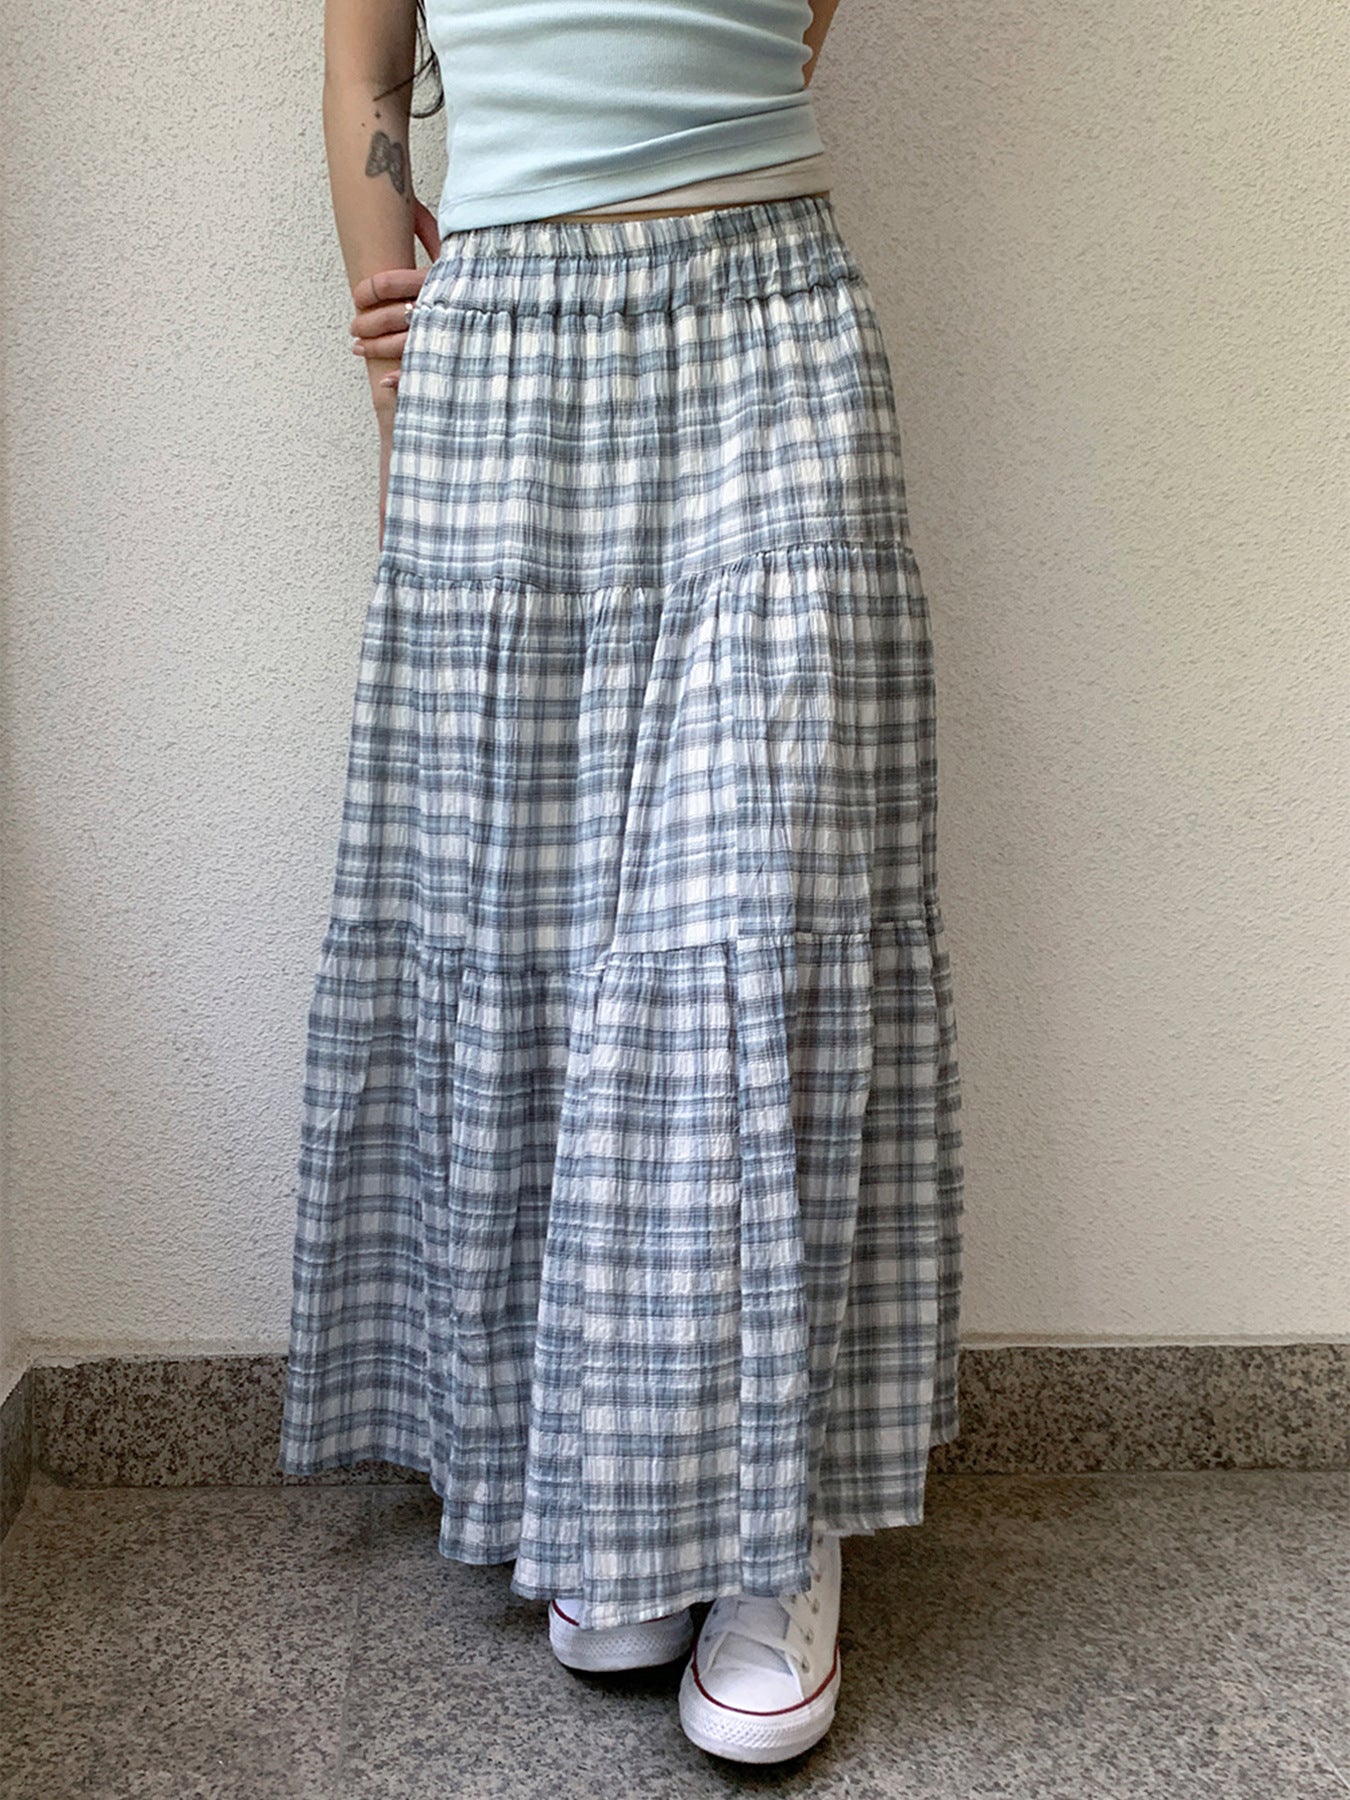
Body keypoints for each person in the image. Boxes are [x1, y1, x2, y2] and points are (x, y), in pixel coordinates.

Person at [278, 0, 965, 1767]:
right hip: (505, 338)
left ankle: (768, 1528)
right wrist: (390, 365)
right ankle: (612, 1492)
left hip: (770, 314)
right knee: (527, 903)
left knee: (767, 913)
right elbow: (364, 69)